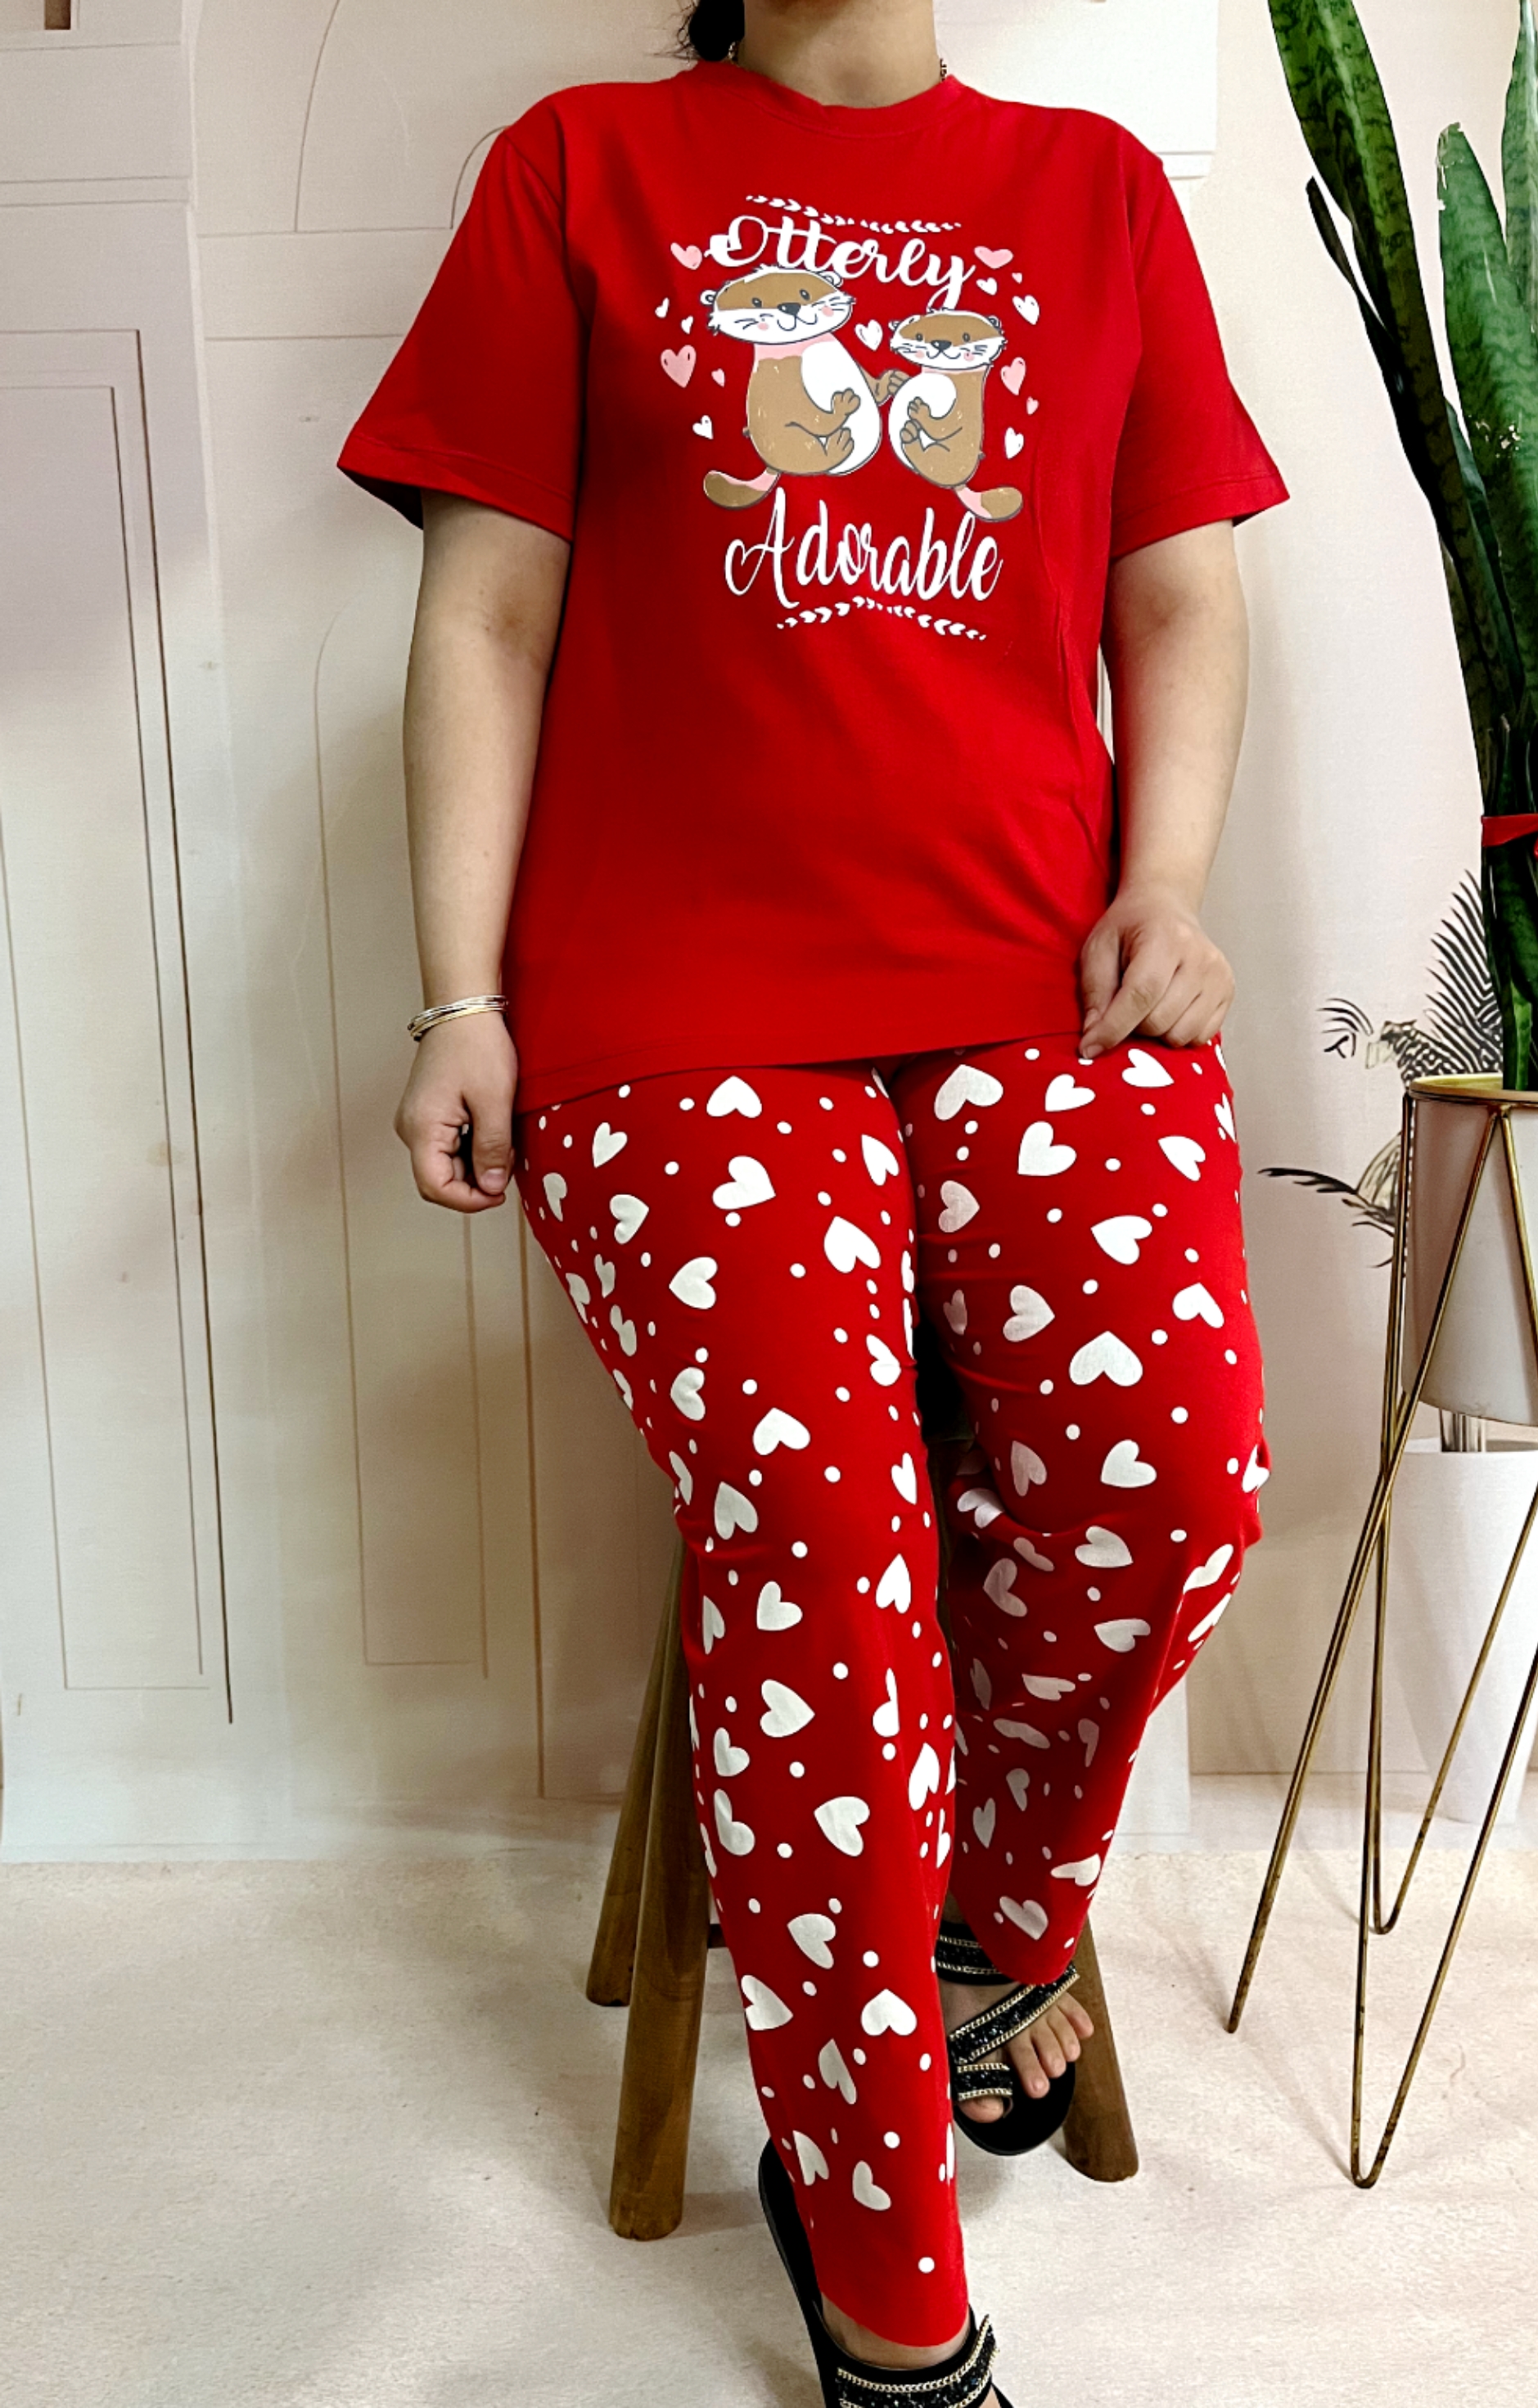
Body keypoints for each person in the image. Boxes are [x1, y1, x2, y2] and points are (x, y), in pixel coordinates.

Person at [340, 2, 1284, 2398]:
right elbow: (486, 613)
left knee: (1174, 1468)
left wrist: (1166, 882)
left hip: (1038, 980)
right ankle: (873, 2242)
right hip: (675, 1012)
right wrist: (457, 996)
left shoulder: (1092, 193)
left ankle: (994, 1923)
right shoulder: (580, 167)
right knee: (830, 1566)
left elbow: (1178, 595)